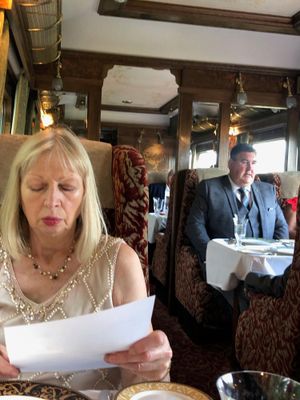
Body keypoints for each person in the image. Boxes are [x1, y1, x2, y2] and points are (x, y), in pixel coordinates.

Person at [0, 126, 172, 391]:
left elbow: (141, 386)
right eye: (37, 187)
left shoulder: (119, 262)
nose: (52, 201)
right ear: (19, 194)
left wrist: (154, 369)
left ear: (84, 196)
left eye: (67, 187)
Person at [185, 143, 289, 278]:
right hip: (226, 266)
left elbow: (281, 226)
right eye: (244, 162)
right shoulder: (209, 188)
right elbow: (194, 226)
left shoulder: (268, 191)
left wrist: (276, 257)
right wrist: (213, 256)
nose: (250, 168)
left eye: (254, 163)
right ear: (230, 164)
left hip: (265, 265)